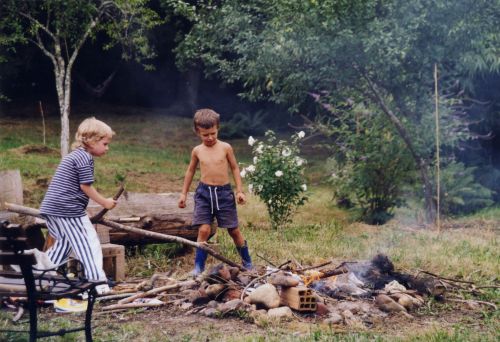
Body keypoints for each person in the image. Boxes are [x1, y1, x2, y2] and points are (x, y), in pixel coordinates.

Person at [40, 117, 117, 294]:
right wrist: (105, 202)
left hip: (52, 209)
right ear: (91, 141)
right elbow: (85, 186)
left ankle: (38, 275)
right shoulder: (84, 158)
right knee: (89, 244)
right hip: (67, 210)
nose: (107, 148)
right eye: (105, 144)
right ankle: (97, 285)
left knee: (64, 245)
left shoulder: (75, 156)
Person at [178, 108, 253, 276]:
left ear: (218, 128)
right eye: (205, 135)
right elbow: (190, 171)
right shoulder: (197, 151)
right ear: (198, 132)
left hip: (224, 194)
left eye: (213, 133)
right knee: (203, 230)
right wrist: (183, 193)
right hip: (204, 194)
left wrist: (239, 191)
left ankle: (247, 262)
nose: (210, 138)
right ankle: (199, 267)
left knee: (233, 230)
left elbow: (234, 167)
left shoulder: (226, 147)